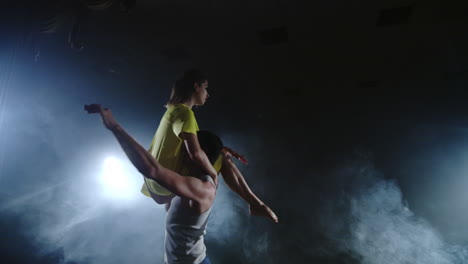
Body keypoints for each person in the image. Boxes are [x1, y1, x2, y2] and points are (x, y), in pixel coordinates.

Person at [86, 104, 278, 263]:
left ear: (199, 155)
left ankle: (257, 204)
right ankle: (256, 204)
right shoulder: (197, 178)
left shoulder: (202, 188)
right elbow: (223, 162)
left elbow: (152, 170)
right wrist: (223, 152)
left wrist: (115, 127)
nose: (183, 151)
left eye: (188, 148)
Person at [142, 69, 217, 204]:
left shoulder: (172, 111)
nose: (208, 94)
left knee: (218, 153)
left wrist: (223, 148)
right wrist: (214, 174)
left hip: (151, 181)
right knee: (224, 161)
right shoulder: (185, 113)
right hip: (166, 182)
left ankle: (256, 204)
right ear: (196, 87)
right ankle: (255, 203)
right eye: (205, 88)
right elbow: (195, 153)